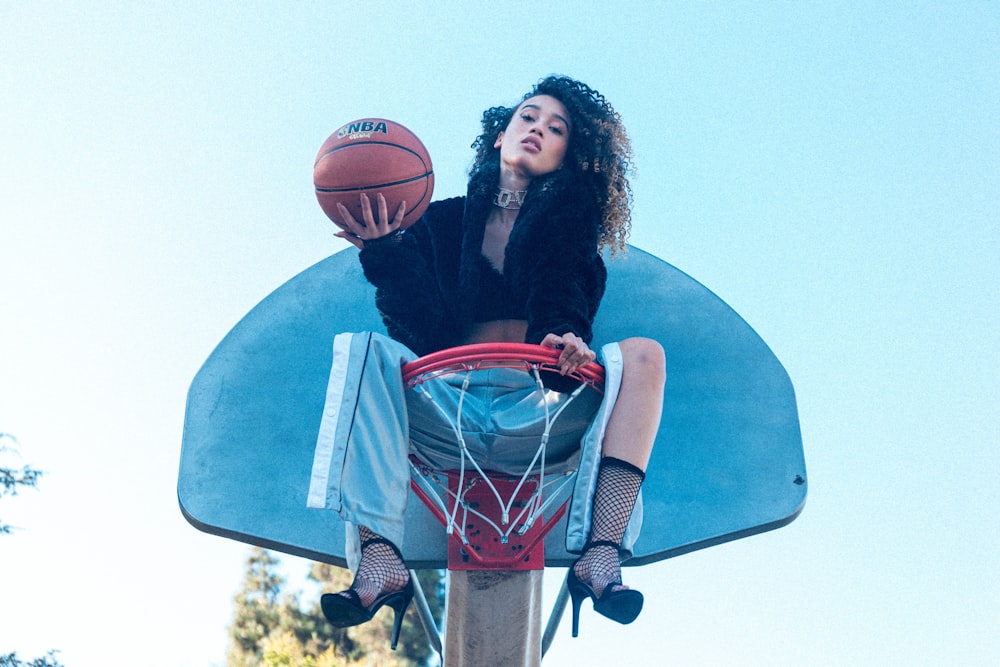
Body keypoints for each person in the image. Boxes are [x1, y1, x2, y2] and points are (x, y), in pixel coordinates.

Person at [307, 75, 665, 646]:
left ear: (566, 157)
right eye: (529, 117)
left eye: (556, 130)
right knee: (364, 349)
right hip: (449, 413)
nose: (538, 130)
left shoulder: (571, 230)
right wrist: (386, 253)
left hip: (542, 414)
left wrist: (565, 339)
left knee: (645, 356)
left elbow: (562, 292)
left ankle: (601, 552)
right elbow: (420, 330)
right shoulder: (438, 223)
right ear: (500, 135)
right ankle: (379, 555)